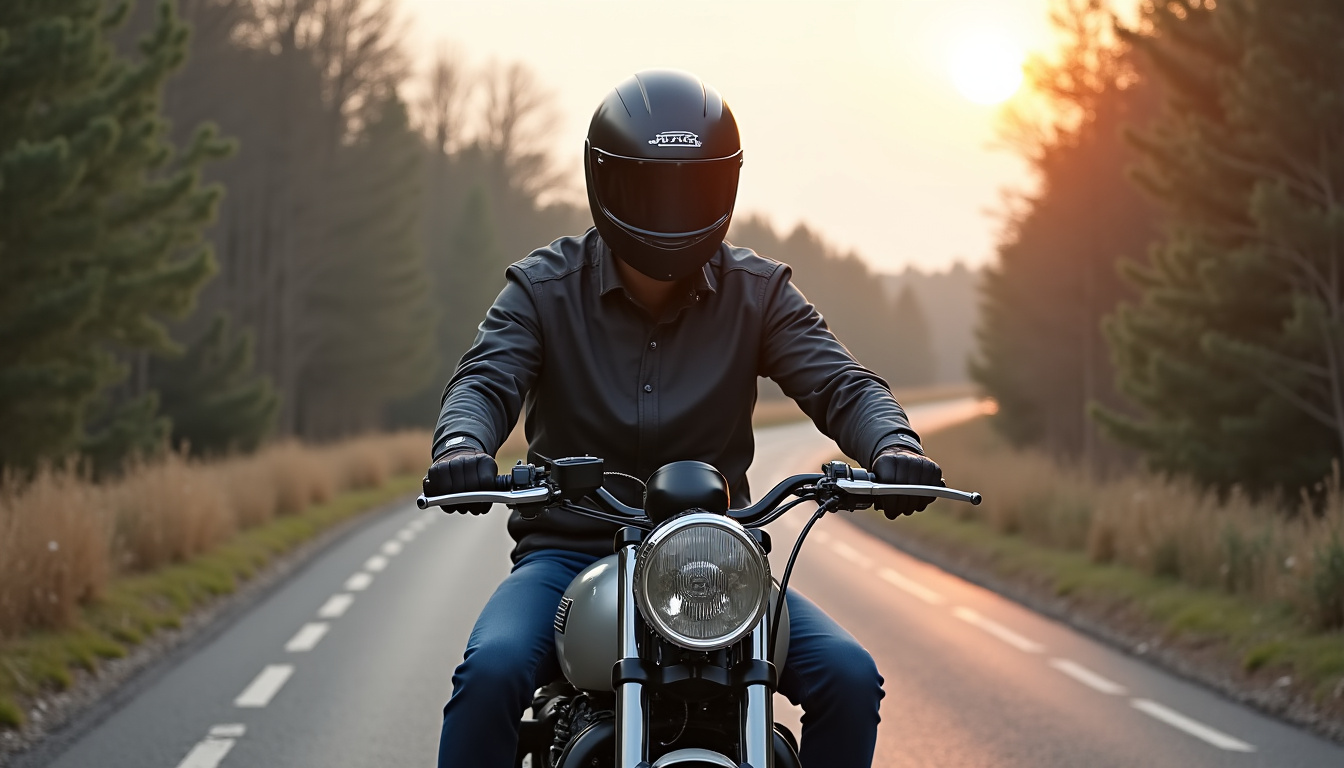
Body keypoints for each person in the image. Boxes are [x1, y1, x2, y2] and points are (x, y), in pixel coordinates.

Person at [427, 69, 943, 768]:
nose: (670, 212)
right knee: (490, 674)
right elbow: (485, 380)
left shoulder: (759, 293)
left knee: (850, 679)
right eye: (650, 189)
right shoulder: (543, 289)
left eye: (691, 190)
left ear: (723, 187)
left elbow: (841, 384)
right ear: (604, 182)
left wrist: (893, 444)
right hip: (569, 556)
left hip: (717, 566)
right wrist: (462, 444)